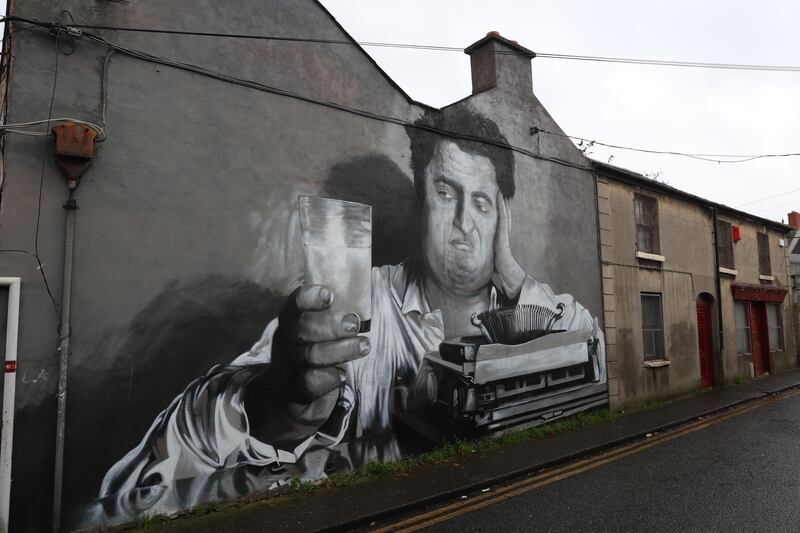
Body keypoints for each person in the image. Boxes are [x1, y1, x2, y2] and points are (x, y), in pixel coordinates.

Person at [95, 108, 606, 520]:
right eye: (445, 193)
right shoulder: (356, 306)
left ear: (503, 218)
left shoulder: (524, 305)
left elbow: (590, 353)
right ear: (420, 202)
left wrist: (512, 269)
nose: (462, 224)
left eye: (482, 204)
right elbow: (141, 488)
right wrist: (274, 407)